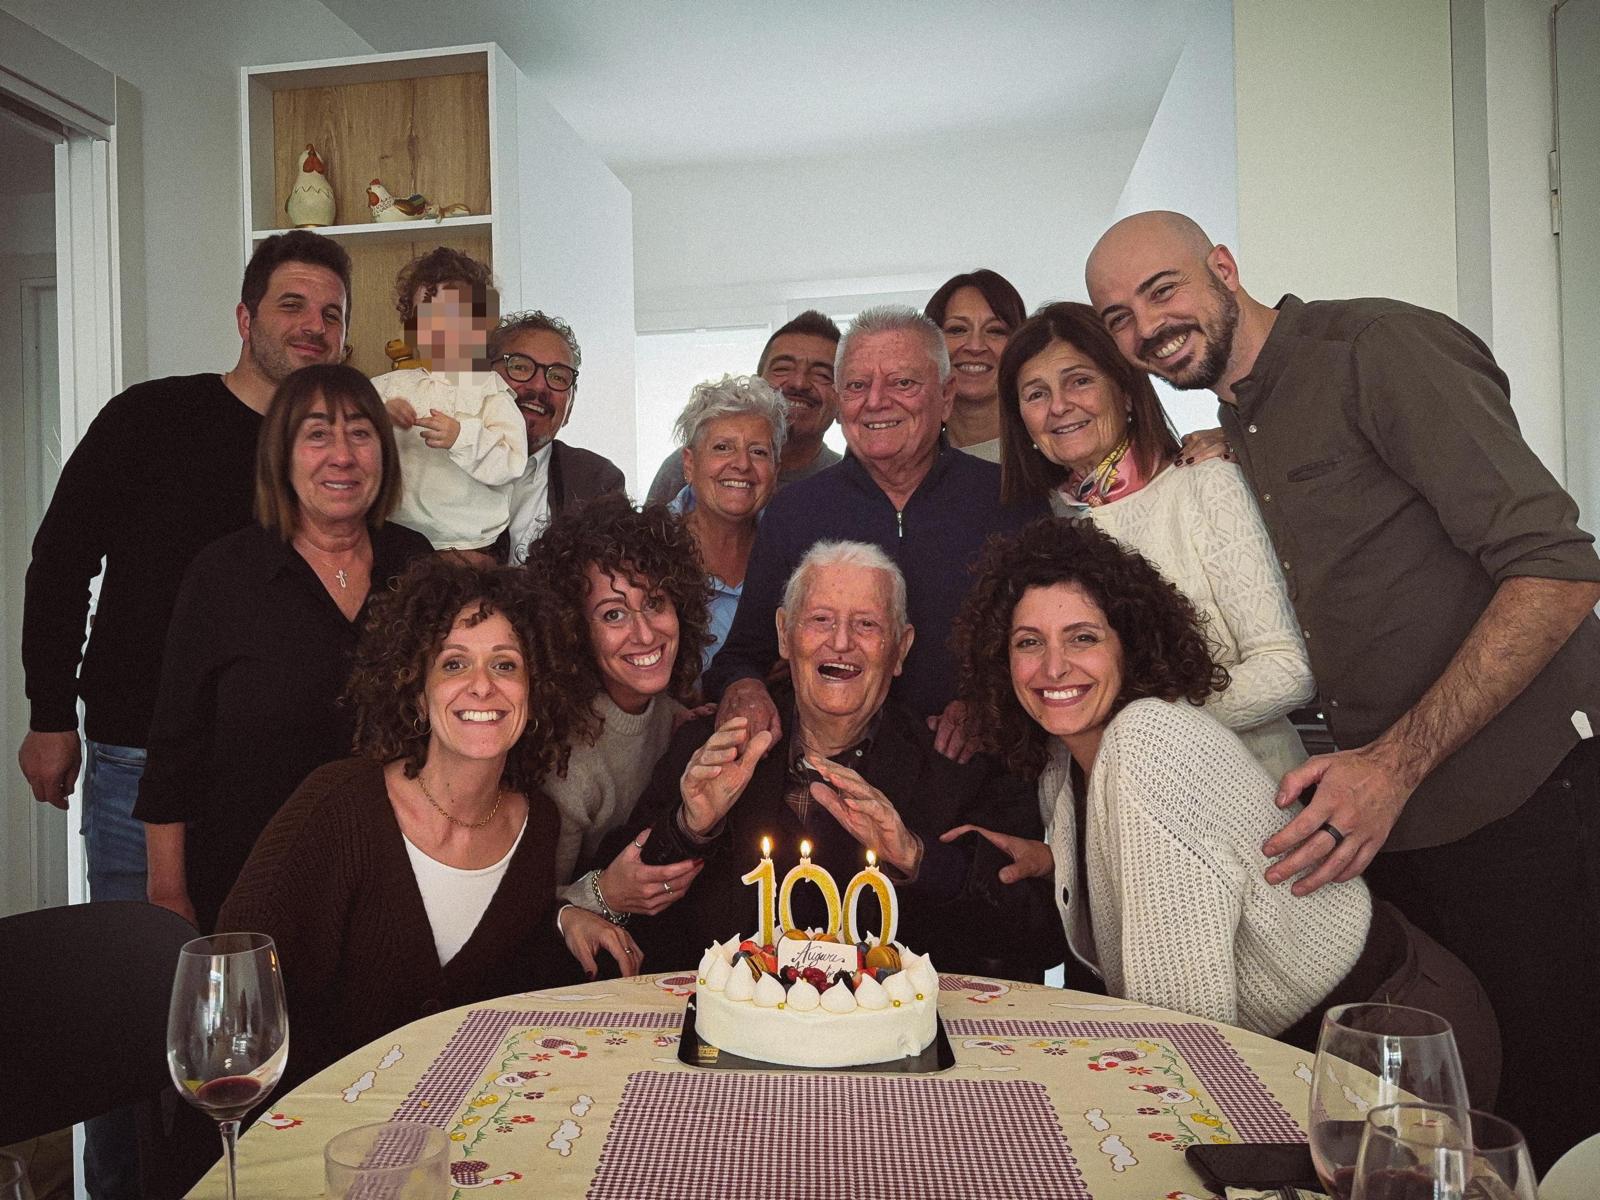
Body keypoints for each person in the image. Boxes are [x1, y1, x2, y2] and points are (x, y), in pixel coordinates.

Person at [1086, 208, 1600, 1166]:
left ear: (1224, 266)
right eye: (1119, 317)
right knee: (1431, 1135)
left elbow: (1558, 570)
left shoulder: (1377, 348)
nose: (1147, 328)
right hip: (1394, 828)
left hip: (1525, 801)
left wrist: (1394, 764)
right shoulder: (1230, 430)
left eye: (1162, 291)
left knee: (1550, 1127)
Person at [16, 229, 350, 1200]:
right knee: (139, 1018)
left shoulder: (332, 452)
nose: (314, 326)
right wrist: (49, 712)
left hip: (276, 775)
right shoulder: (150, 418)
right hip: (132, 761)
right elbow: (60, 559)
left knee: (269, 1006)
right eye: (293, 305)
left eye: (332, 314)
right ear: (246, 318)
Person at [947, 519, 1499, 1100]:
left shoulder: (1147, 741)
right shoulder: (1064, 766)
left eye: (1083, 637)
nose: (1054, 667)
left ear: (1130, 645)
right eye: (1029, 642)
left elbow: (1184, 1030)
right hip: (1309, 1046)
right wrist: (1057, 861)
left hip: (1393, 1035)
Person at [218, 556, 638, 1101]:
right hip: (305, 1124)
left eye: (505, 665)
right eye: (454, 664)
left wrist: (562, 916)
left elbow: (510, 970)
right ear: (418, 691)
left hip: (451, 1126)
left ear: (534, 693)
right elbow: (232, 985)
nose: (482, 686)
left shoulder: (538, 826)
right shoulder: (339, 804)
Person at [622, 541, 1062, 977]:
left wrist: (917, 857)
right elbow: (626, 921)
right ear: (784, 634)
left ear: (901, 648)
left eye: (866, 624)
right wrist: (688, 830)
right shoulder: (708, 748)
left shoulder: (957, 768)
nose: (841, 642)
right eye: (820, 620)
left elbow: (1036, 938)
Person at [134, 364, 433, 934]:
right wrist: (168, 892)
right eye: (317, 434)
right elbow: (174, 747)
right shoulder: (223, 575)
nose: (342, 456)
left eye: (361, 433)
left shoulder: (416, 564)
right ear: (282, 455)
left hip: (394, 884)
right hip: (245, 884)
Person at [704, 306, 1048, 762]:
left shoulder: (1011, 500)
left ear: (946, 395)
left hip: (974, 773)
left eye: (902, 383)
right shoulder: (794, 511)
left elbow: (1050, 646)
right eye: (857, 385)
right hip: (828, 773)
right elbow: (742, 655)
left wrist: (992, 702)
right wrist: (744, 688)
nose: (876, 401)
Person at [998, 301, 1312, 777]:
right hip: (1100, 799)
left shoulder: (1206, 483)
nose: (1059, 406)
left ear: (1126, 392)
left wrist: (1134, 730)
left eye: (1079, 381)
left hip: (1240, 790)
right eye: (1036, 394)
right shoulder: (1046, 524)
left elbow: (1288, 668)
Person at [528, 493, 712, 925]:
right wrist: (604, 893)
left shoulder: (672, 714)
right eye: (613, 615)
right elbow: (533, 910)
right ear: (573, 630)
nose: (644, 633)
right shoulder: (567, 762)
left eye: (654, 603)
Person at [373, 248, 527, 554]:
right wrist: (379, 416)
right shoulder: (388, 386)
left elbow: (512, 461)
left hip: (472, 541)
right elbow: (349, 430)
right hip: (397, 536)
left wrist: (462, 437)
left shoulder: (489, 389)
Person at [645, 311, 843, 505]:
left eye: (822, 374)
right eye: (783, 368)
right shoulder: (689, 467)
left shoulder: (849, 484)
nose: (799, 383)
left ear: (843, 398)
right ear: (757, 384)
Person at [666, 374, 787, 672]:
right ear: (689, 464)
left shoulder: (796, 551)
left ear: (775, 471)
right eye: (722, 447)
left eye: (758, 452)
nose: (742, 464)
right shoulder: (642, 548)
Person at [493, 310, 625, 563]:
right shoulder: (436, 459)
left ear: (570, 406)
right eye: (520, 367)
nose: (539, 386)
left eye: (557, 377)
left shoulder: (598, 483)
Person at [924, 268, 1026, 462]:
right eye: (957, 329)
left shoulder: (1052, 454)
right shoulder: (906, 461)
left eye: (995, 331)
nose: (975, 346)